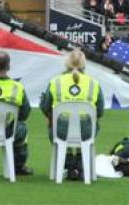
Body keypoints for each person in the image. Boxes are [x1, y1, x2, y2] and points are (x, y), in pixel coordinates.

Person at [40, 49, 104, 180]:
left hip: (60, 131)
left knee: (55, 124)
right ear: (84, 65)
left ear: (66, 64)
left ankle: (67, 164)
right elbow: (100, 111)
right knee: (91, 124)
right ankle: (81, 165)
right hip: (87, 132)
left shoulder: (55, 82)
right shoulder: (94, 83)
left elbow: (45, 107)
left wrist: (50, 117)